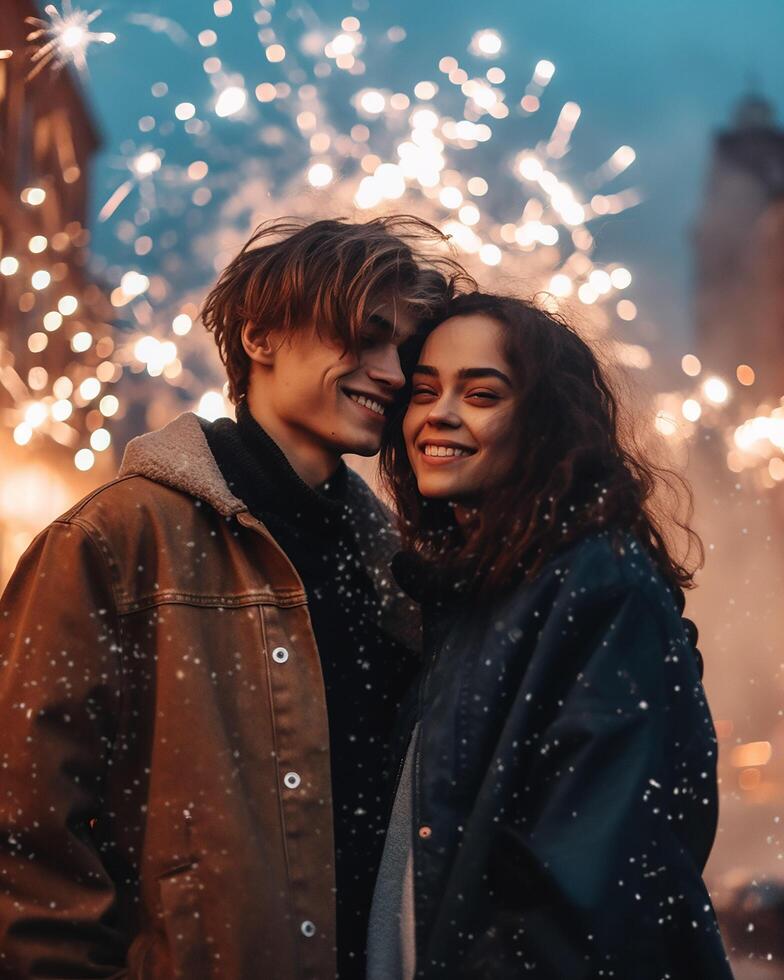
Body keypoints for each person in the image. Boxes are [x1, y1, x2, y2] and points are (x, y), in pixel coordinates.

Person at [0, 216, 470, 979]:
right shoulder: (115, 543)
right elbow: (27, 838)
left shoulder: (398, 570)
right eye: (364, 334)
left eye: (404, 351)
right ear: (260, 336)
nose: (391, 374)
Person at [368, 292, 734, 979]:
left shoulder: (599, 587)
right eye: (424, 390)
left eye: (481, 394)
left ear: (542, 423)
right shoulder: (465, 593)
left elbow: (591, 889)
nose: (439, 412)